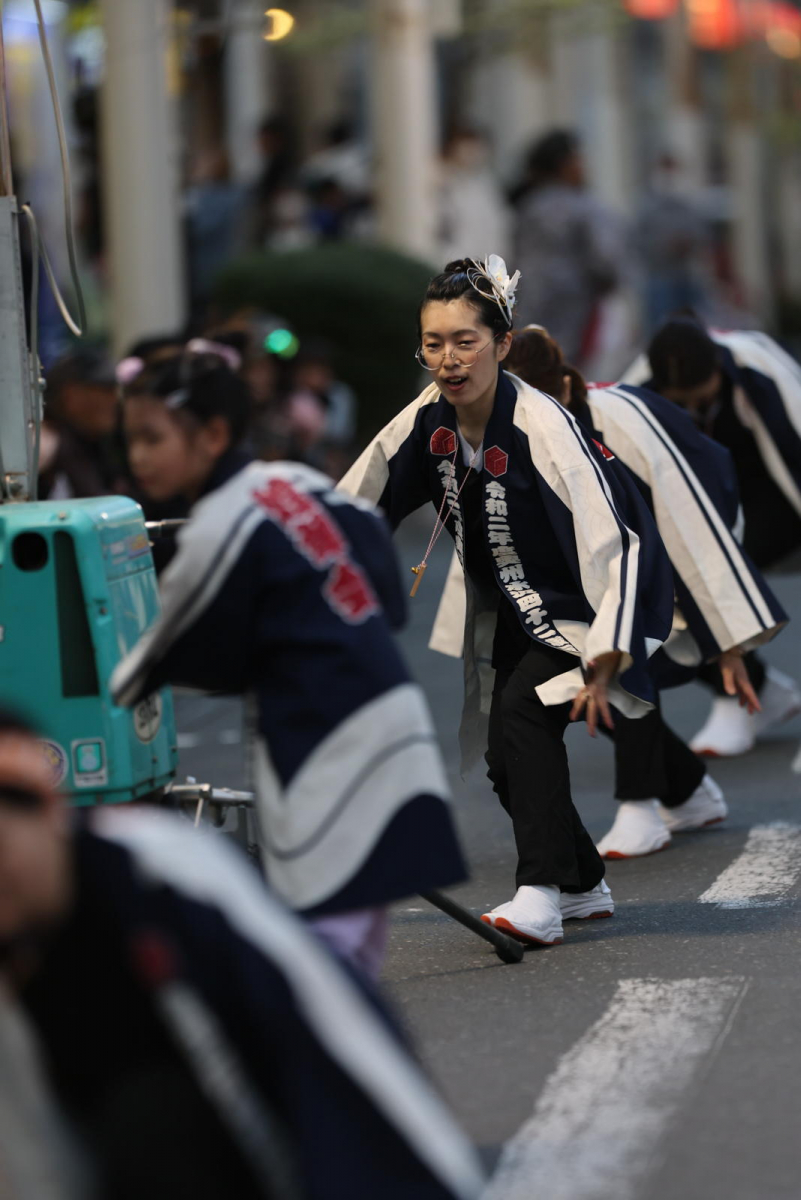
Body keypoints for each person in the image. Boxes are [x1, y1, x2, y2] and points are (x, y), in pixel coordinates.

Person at [0, 709, 484, 1200]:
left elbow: (341, 1042)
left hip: (240, 1158)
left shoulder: (156, 874)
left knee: (150, 1112)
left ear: (46, 811)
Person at [339, 256, 674, 945]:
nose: (448, 360)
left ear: (501, 344)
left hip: (580, 611)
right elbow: (354, 502)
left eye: (465, 341)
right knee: (502, 756)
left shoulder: (542, 426)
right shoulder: (425, 422)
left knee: (520, 718)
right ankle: (580, 883)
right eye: (433, 343)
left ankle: (539, 894)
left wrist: (608, 647)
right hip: (514, 615)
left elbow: (610, 537)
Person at [113, 341, 467, 973]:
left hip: (321, 743)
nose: (137, 456)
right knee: (354, 954)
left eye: (151, 437)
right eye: (131, 439)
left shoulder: (221, 521)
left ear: (213, 434)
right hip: (391, 715)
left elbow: (143, 666)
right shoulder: (296, 481)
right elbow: (385, 588)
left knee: (316, 967)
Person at [498, 325, 786, 857]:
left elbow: (689, 521)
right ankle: (687, 790)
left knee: (618, 646)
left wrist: (728, 640)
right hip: (612, 559)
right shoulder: (504, 430)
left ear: (560, 389)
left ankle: (640, 807)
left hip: (693, 538)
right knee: (564, 664)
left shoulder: (616, 418)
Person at [623, 316, 801, 756]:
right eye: (680, 403)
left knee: (712, 577)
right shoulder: (638, 388)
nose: (695, 408)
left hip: (774, 498)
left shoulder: (759, 372)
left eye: (701, 398)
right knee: (660, 586)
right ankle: (757, 692)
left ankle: (742, 694)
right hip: (699, 507)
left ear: (719, 372)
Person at [511, 130, 625, 367]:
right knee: (570, 369)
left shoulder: (527, 207)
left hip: (528, 302)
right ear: (564, 165)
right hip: (575, 307)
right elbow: (605, 261)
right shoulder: (583, 207)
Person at [39, 349, 129, 501]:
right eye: (105, 389)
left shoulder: (105, 444)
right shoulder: (44, 446)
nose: (114, 399)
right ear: (70, 395)